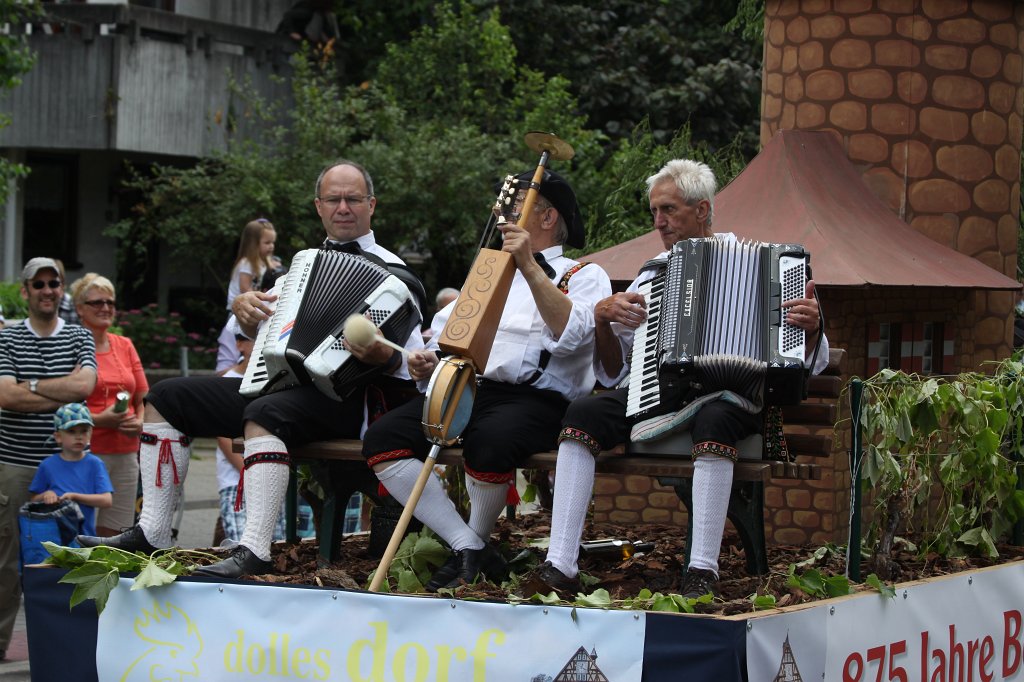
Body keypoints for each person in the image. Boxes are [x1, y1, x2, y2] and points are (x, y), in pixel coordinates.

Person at [78, 160, 426, 579]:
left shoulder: (399, 278)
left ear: (372, 205)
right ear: (319, 206)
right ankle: (153, 530)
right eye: (334, 199)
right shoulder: (298, 268)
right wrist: (244, 312)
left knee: (265, 413)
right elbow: (260, 330)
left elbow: (412, 370)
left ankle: (255, 548)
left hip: (353, 404)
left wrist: (380, 356)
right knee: (166, 397)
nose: (343, 207)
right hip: (278, 388)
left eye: (353, 199)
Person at [528, 159, 830, 599]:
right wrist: (601, 322)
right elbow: (615, 374)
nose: (658, 222)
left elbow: (813, 364)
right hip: (658, 393)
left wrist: (812, 327)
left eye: (668, 210)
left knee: (715, 418)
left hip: (730, 397)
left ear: (703, 210)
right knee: (584, 412)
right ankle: (561, 564)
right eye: (654, 211)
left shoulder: (774, 266)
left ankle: (701, 572)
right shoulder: (654, 272)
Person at [361, 169, 612, 591]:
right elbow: (446, 334)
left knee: (489, 442)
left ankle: (471, 549)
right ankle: (469, 546)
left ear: (547, 218)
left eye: (514, 210)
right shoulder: (488, 271)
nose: (502, 219)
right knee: (383, 438)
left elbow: (569, 337)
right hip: (471, 387)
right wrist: (426, 363)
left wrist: (529, 265)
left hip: (537, 399)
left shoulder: (583, 275)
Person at [0, 257, 97, 661]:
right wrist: (62, 389)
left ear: (62, 289)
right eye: (37, 284)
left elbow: (86, 385)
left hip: (68, 467)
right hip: (15, 463)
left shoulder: (79, 337)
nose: (46, 291)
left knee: (73, 557)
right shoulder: (6, 339)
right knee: (6, 562)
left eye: (52, 283)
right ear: (25, 291)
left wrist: (33, 384)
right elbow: (6, 396)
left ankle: (68, 649)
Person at [69, 273, 148, 536]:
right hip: (86, 452)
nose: (105, 308)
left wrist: (138, 421)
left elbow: (143, 397)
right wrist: (100, 419)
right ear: (80, 309)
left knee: (117, 531)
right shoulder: (70, 345)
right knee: (81, 529)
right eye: (97, 302)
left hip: (126, 452)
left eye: (110, 302)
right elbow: (63, 406)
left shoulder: (124, 344)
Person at [213, 333, 287, 546]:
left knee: (275, 545)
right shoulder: (228, 380)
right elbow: (224, 438)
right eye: (255, 338)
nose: (262, 343)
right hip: (237, 480)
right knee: (241, 543)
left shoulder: (277, 380)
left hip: (269, 478)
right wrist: (253, 473)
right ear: (239, 344)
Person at [28, 403, 113, 537]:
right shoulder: (47, 465)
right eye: (71, 431)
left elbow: (106, 500)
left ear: (90, 434)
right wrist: (46, 494)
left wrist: (74, 496)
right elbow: (33, 499)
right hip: (53, 536)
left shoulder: (95, 464)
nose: (78, 437)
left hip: (84, 537)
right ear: (58, 437)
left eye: (84, 431)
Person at [217, 219, 277, 372]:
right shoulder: (246, 263)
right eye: (267, 243)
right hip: (237, 314)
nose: (271, 247)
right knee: (242, 345)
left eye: (273, 242)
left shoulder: (264, 264)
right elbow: (246, 290)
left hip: (251, 311)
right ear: (254, 244)